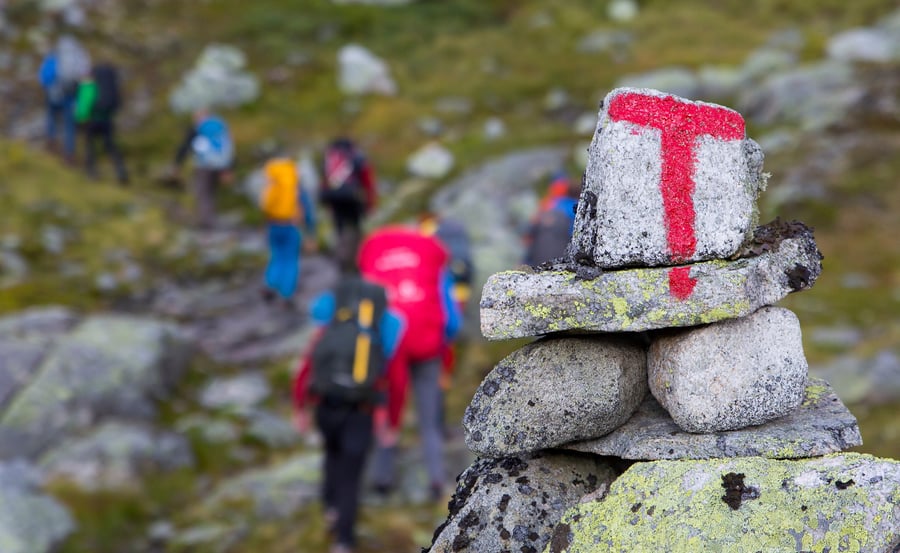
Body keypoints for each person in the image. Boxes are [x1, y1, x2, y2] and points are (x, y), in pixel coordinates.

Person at [293, 273, 404, 553]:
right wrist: (391, 421)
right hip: (360, 410)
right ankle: (344, 539)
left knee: (331, 454)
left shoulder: (332, 319)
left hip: (325, 405)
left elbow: (307, 364)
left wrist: (300, 406)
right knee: (351, 475)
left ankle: (330, 509)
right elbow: (396, 378)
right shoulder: (387, 325)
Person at [357, 225, 461, 501]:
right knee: (429, 418)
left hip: (390, 345)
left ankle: (382, 478)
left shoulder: (373, 253)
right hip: (428, 342)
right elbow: (450, 313)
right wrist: (446, 341)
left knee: (388, 408)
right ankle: (436, 480)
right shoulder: (431, 255)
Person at [259, 157, 316, 306]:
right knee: (291, 260)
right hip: (290, 225)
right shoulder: (295, 185)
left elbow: (265, 205)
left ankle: (270, 283)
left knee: (277, 255)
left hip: (273, 224)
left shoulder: (273, 180)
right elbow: (307, 209)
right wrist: (311, 231)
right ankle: (287, 293)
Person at [319, 138, 377, 270]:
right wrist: (370, 204)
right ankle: (357, 258)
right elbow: (368, 181)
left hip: (333, 198)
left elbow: (324, 181)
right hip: (351, 197)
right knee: (355, 227)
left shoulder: (330, 157)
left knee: (339, 228)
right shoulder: (357, 155)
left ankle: (341, 258)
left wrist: (327, 203)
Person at [171, 108, 234, 228]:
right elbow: (228, 147)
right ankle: (212, 219)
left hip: (203, 165)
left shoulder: (198, 128)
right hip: (221, 164)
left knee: (203, 192)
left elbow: (186, 147)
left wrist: (177, 164)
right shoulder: (221, 126)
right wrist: (228, 168)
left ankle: (206, 222)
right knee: (212, 191)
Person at [74, 62, 129, 184]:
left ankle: (92, 173)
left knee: (90, 146)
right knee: (110, 145)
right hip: (107, 119)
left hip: (91, 120)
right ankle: (120, 170)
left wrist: (80, 120)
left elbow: (84, 105)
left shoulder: (88, 86)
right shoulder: (108, 85)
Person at [38, 34, 89, 162]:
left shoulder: (54, 55)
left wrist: (47, 87)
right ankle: (69, 153)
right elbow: (85, 77)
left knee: (52, 117)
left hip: (53, 92)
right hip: (71, 93)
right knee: (69, 125)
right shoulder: (78, 54)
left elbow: (44, 75)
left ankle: (51, 141)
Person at [523, 173, 582, 266]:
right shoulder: (571, 204)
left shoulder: (550, 204)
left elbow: (530, 233)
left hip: (543, 257)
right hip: (561, 256)